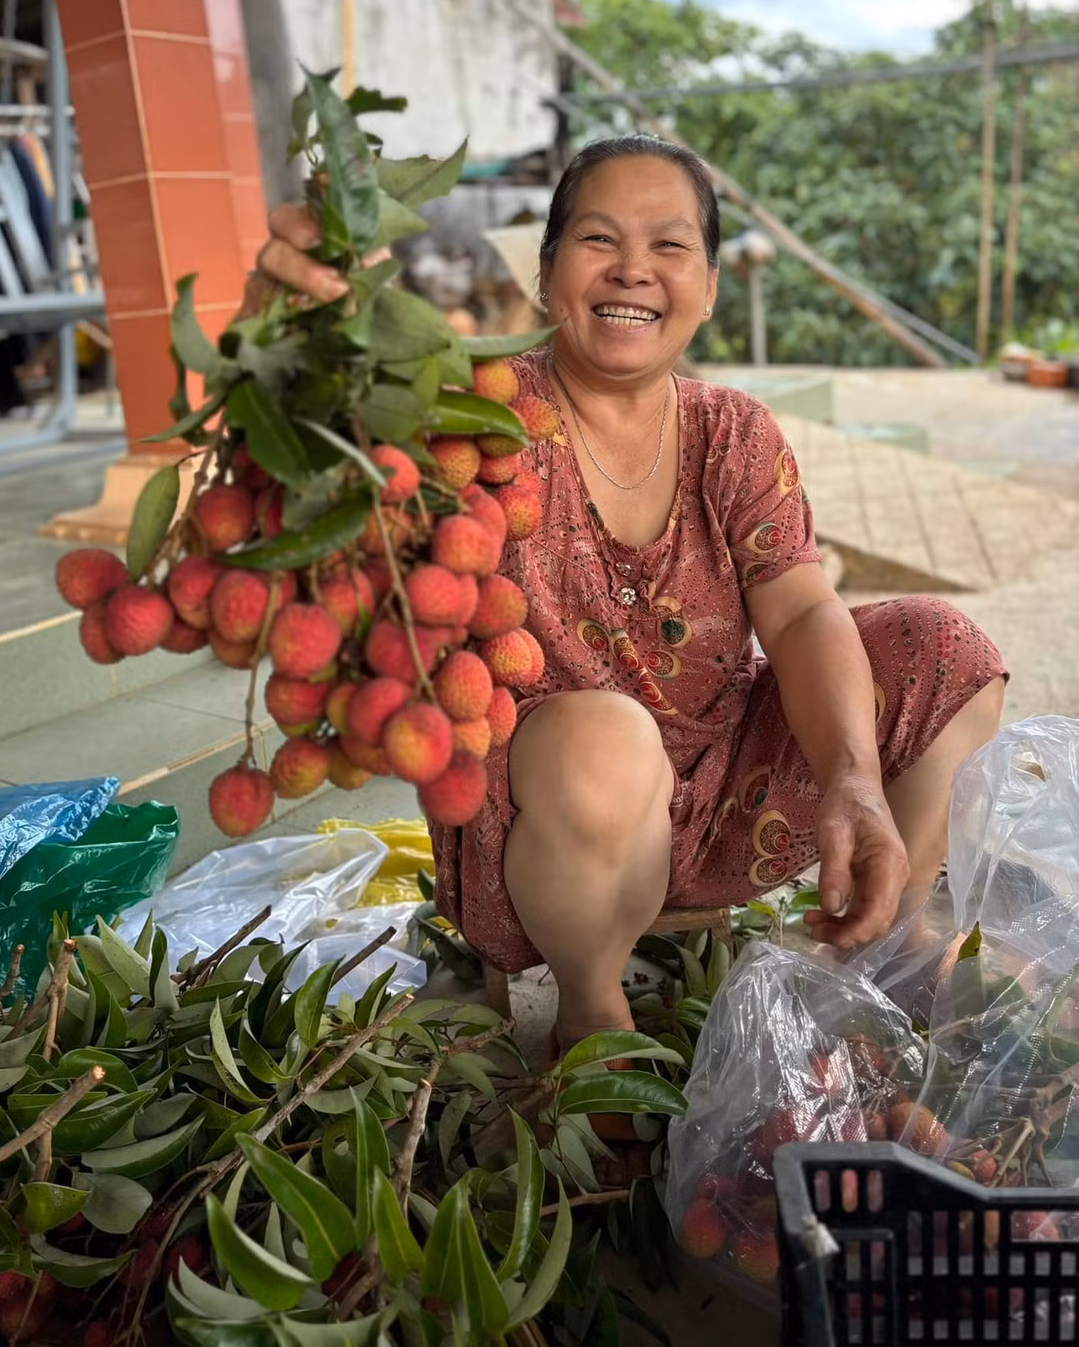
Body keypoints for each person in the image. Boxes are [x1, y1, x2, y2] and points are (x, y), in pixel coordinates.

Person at [254, 135, 1006, 1055]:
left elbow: (804, 610)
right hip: (550, 814)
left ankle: (889, 940)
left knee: (945, 648)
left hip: (725, 794)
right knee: (610, 737)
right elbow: (347, 448)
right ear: (546, 273)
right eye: (599, 240)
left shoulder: (731, 430)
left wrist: (852, 779)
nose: (634, 270)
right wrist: (298, 351)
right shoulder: (476, 415)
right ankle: (588, 1005)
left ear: (711, 285)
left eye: (671, 246)